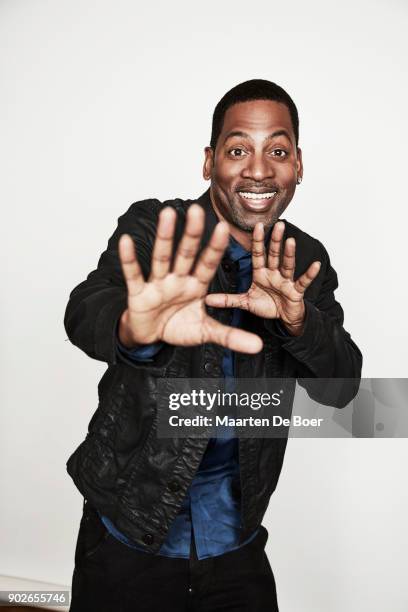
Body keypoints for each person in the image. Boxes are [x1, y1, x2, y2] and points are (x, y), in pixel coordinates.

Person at [65, 79, 362, 611]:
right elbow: (86, 309)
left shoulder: (306, 262)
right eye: (237, 149)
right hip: (128, 530)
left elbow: (342, 390)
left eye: (277, 150)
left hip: (236, 539)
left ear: (298, 164)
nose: (258, 169)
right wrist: (135, 327)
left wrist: (300, 324)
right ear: (209, 162)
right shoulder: (158, 226)